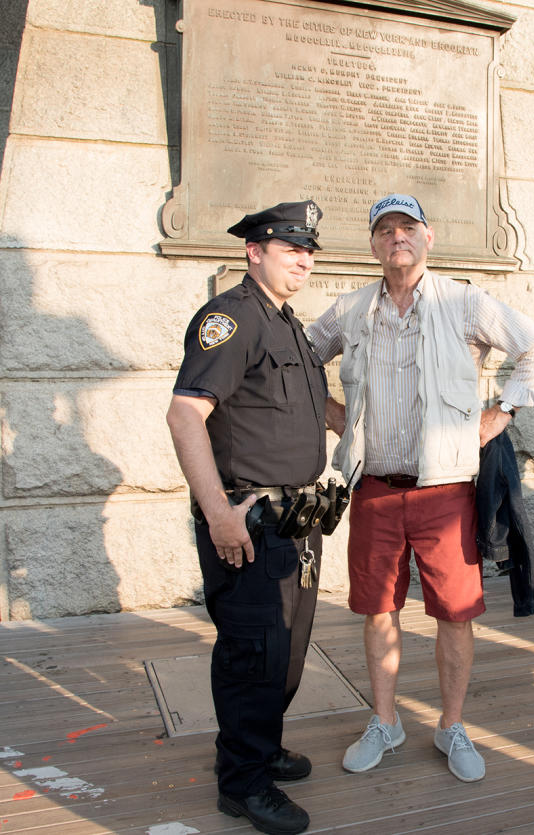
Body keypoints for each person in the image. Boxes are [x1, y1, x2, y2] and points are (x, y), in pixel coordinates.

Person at [307, 194, 534, 783]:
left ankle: (452, 725)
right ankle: (385, 721)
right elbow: (300, 358)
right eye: (385, 229)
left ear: (428, 236)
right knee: (377, 611)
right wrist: (334, 413)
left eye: (407, 227)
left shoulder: (464, 301)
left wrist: (499, 416)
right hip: (375, 489)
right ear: (372, 244)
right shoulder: (351, 309)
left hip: (445, 491)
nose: (397, 238)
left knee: (454, 613)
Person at [166, 201, 328, 835]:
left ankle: (254, 744)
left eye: (308, 250)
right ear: (253, 251)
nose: (303, 259)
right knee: (253, 651)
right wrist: (218, 516)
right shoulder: (229, 319)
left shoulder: (286, 323)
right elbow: (185, 416)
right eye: (290, 248)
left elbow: (307, 408)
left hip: (295, 516)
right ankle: (242, 783)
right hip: (248, 517)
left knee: (285, 652)